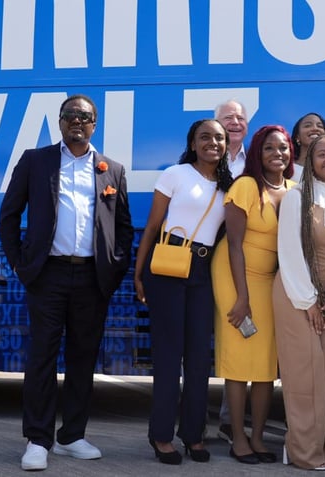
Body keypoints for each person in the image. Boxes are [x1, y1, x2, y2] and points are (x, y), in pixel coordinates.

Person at [0, 94, 133, 471]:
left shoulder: (113, 170)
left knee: (82, 359)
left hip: (92, 278)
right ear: (59, 122)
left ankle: (71, 436)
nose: (77, 121)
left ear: (95, 124)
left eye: (85, 117)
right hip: (48, 275)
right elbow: (9, 216)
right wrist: (22, 266)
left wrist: (113, 269)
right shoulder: (35, 160)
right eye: (70, 115)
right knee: (41, 357)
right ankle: (37, 440)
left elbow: (122, 227)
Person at [134, 119, 234, 465]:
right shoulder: (175, 175)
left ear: (226, 145)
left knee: (197, 359)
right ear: (193, 143)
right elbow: (152, 225)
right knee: (168, 355)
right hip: (168, 267)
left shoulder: (228, 185)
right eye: (205, 137)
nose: (213, 142)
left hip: (203, 271)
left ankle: (193, 435)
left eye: (219, 138)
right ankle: (161, 436)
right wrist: (138, 272)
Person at [273, 135, 325, 470]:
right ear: (310, 160)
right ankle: (301, 451)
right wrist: (309, 302)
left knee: (324, 377)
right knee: (303, 374)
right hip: (297, 294)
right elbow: (290, 252)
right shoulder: (297, 198)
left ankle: (324, 449)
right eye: (321, 154)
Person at [211, 125, 295, 464]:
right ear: (257, 153)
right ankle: (238, 437)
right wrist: (242, 298)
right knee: (240, 358)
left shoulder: (293, 189)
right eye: (270, 148)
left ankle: (259, 438)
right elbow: (233, 244)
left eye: (284, 148)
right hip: (236, 276)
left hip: (270, 281)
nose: (278, 154)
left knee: (266, 362)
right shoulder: (245, 186)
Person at [213, 98, 249, 443]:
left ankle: (228, 420)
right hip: (209, 257)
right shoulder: (205, 157)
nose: (234, 122)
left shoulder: (254, 161)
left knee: (239, 334)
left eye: (240, 117)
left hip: (246, 259)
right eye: (228, 117)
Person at [290, 112, 325, 182]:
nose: (315, 128)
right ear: (297, 137)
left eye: (320, 126)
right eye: (307, 126)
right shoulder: (288, 169)